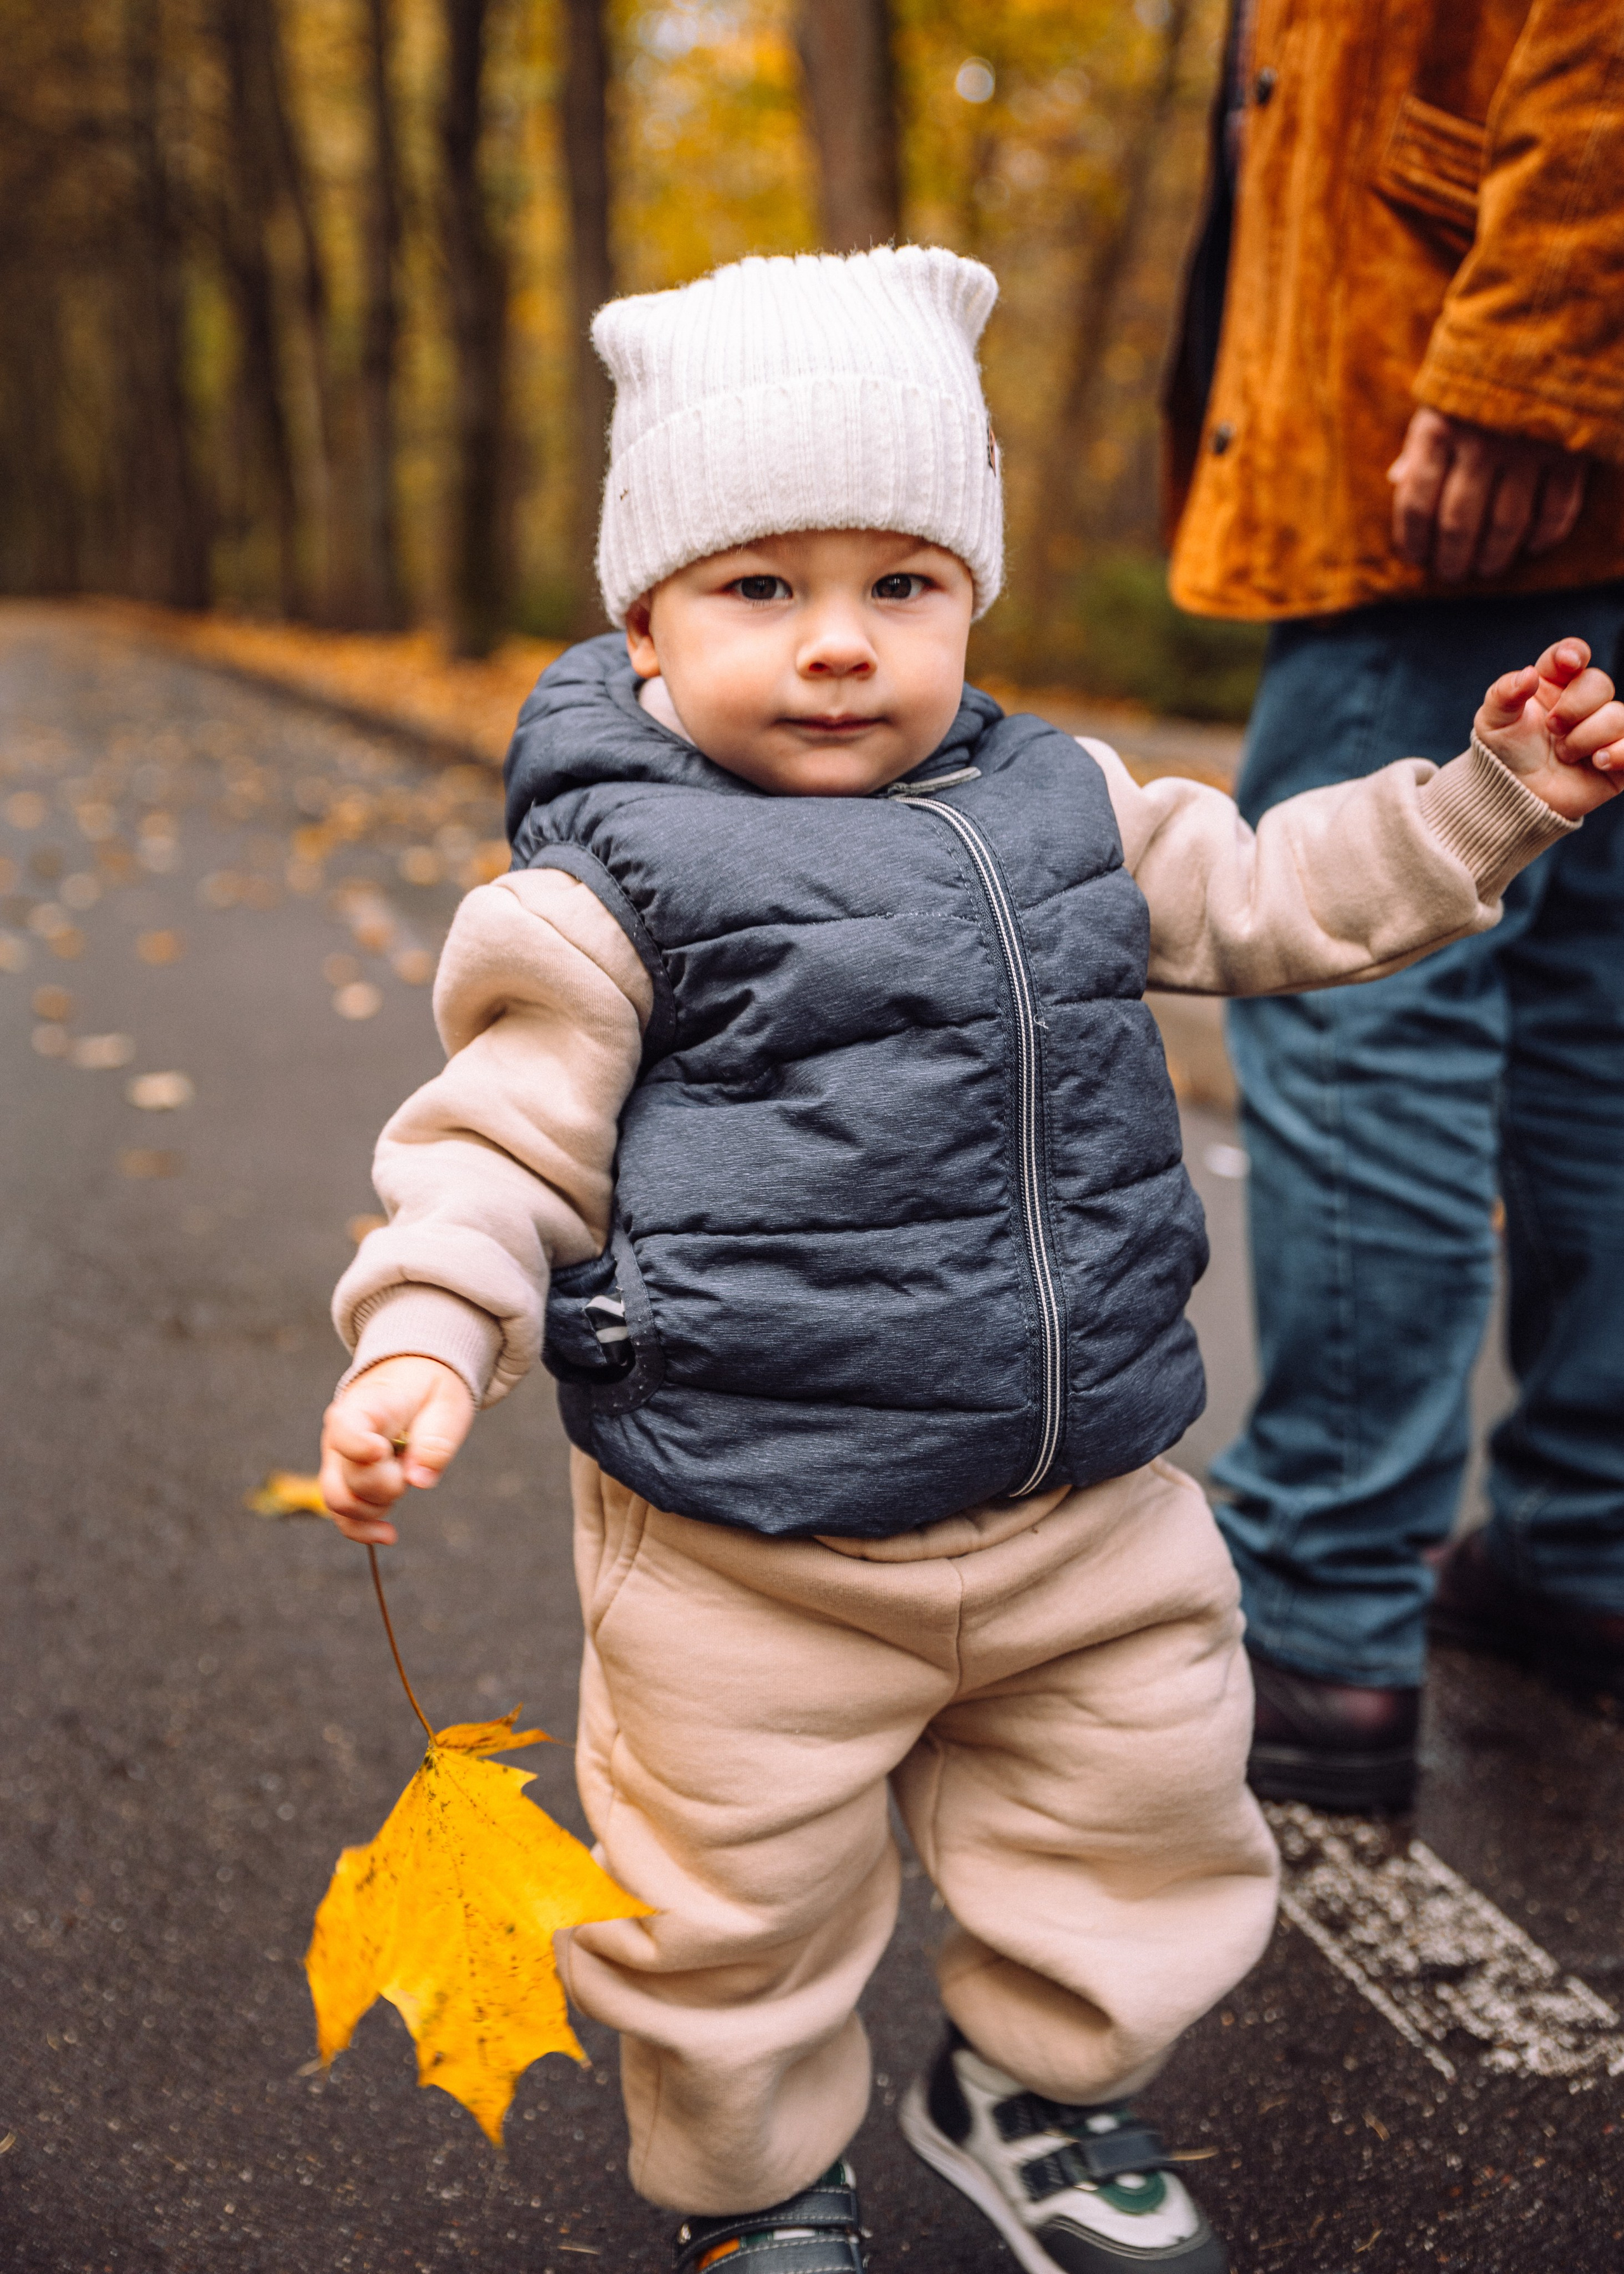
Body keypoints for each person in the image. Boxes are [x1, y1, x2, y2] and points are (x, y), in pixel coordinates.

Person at [316, 249, 1621, 2274]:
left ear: (969, 601)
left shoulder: (1070, 805)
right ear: (644, 619)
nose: (840, 645)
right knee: (720, 1907)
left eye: (900, 586)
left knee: (1145, 1820)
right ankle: (758, 2197)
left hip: (1082, 1509)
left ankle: (1035, 2088)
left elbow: (1281, 898)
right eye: (764, 588)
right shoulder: (601, 894)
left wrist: (1486, 801)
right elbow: (497, 1150)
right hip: (756, 1548)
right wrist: (422, 1333)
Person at [1163, 0, 1624, 1813]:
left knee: (1366, 998)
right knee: (1589, 1010)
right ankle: (1587, 1534)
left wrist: (1531, 357)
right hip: (1521, 410)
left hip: (1449, 417)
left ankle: (1321, 1603)